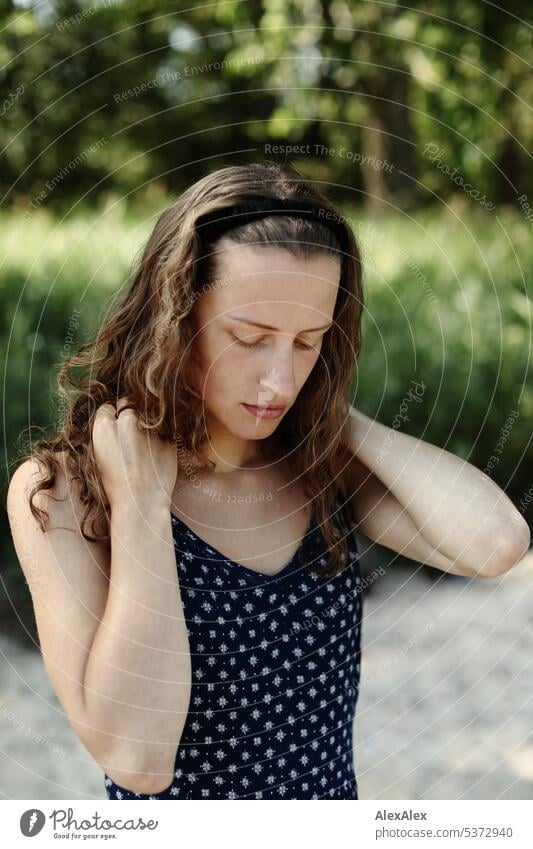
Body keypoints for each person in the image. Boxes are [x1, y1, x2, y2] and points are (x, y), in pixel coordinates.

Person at [7, 162, 530, 801]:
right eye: (250, 339)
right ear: (173, 318)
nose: (280, 381)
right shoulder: (67, 491)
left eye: (308, 342)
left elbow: (497, 544)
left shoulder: (319, 467)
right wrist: (142, 503)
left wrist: (332, 417)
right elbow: (137, 757)